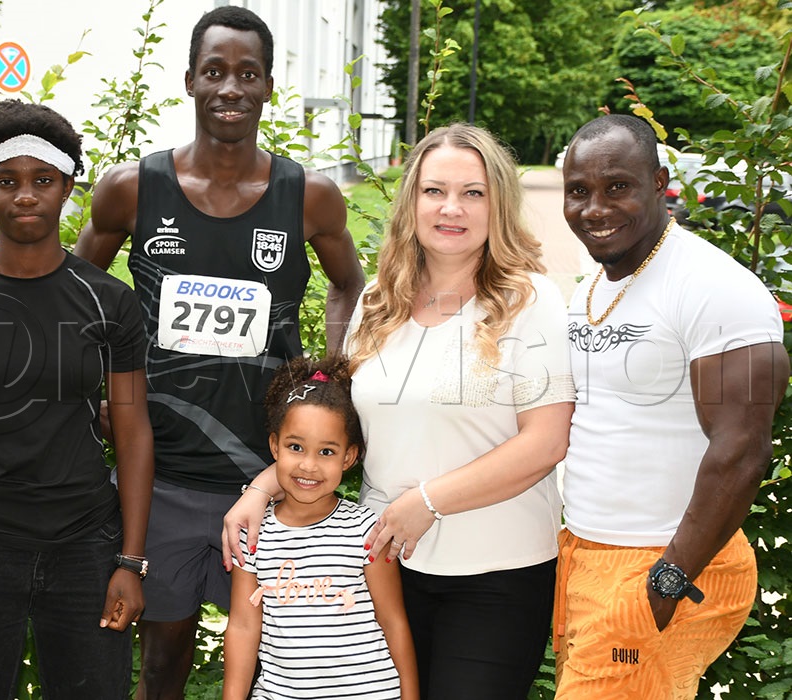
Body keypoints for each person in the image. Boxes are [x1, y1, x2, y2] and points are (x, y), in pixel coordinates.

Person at [224, 123, 577, 699]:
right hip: (381, 566)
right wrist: (261, 490)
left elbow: (545, 442)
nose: (451, 209)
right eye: (434, 191)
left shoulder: (529, 302)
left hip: (495, 573)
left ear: (500, 205)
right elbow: (339, 429)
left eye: (473, 193)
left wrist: (428, 503)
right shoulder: (377, 303)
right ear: (411, 199)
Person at [73, 6, 365, 697]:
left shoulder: (309, 197)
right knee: (163, 659)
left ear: (268, 86)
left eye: (246, 73)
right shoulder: (132, 188)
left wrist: (330, 383)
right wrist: (92, 395)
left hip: (271, 478)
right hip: (160, 477)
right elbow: (76, 295)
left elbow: (350, 284)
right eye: (214, 71)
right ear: (189, 81)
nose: (230, 87)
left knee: (276, 657)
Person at [0, 99, 154, 700]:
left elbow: (134, 433)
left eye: (43, 180)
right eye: (6, 181)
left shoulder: (108, 302)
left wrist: (130, 561)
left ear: (68, 186)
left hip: (86, 544)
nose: (25, 196)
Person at [554, 113, 789, 698]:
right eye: (578, 191)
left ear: (660, 183)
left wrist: (671, 575)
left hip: (661, 562)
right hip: (588, 554)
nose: (595, 208)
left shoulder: (715, 288)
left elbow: (741, 449)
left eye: (617, 187)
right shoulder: (596, 284)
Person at [222, 356, 419, 700]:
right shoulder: (252, 534)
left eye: (326, 451)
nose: (309, 465)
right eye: (295, 447)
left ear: (348, 457)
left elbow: (394, 621)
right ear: (274, 447)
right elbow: (242, 625)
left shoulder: (367, 529)